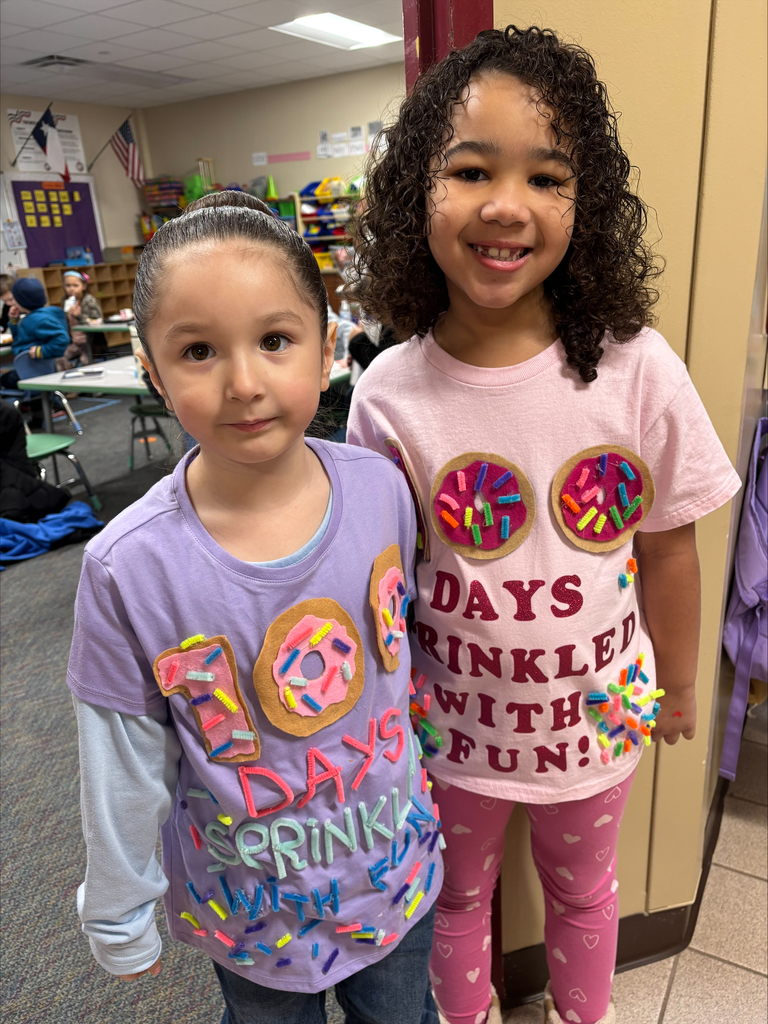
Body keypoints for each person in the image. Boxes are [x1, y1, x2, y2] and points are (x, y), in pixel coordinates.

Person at [346, 26, 741, 1024]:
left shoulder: (636, 367)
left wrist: (680, 684)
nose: (506, 205)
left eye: (547, 177)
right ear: (416, 194)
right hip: (448, 729)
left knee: (585, 894)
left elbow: (670, 546)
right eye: (471, 169)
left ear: (585, 205)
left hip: (595, 721)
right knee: (455, 899)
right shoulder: (389, 391)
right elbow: (375, 578)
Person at [66, 191, 443, 1024]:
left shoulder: (383, 490)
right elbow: (121, 759)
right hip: (250, 911)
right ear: (153, 371)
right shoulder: (129, 566)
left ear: (326, 345)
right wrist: (119, 911)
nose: (243, 384)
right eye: (199, 350)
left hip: (394, 876)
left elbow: (405, 661)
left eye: (275, 340)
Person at [7, 276, 69, 364]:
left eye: (14, 299)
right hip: (38, 363)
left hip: (38, 364)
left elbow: (62, 338)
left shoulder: (36, 320)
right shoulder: (47, 314)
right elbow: (20, 337)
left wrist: (41, 351)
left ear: (22, 301)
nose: (13, 302)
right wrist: (14, 320)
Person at [59, 269, 102, 369]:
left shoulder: (89, 301)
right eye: (68, 285)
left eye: (75, 285)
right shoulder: (65, 301)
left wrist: (80, 316)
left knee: (85, 361)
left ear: (84, 286)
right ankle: (72, 373)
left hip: (90, 342)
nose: (71, 289)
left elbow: (97, 321)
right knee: (59, 359)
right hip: (75, 342)